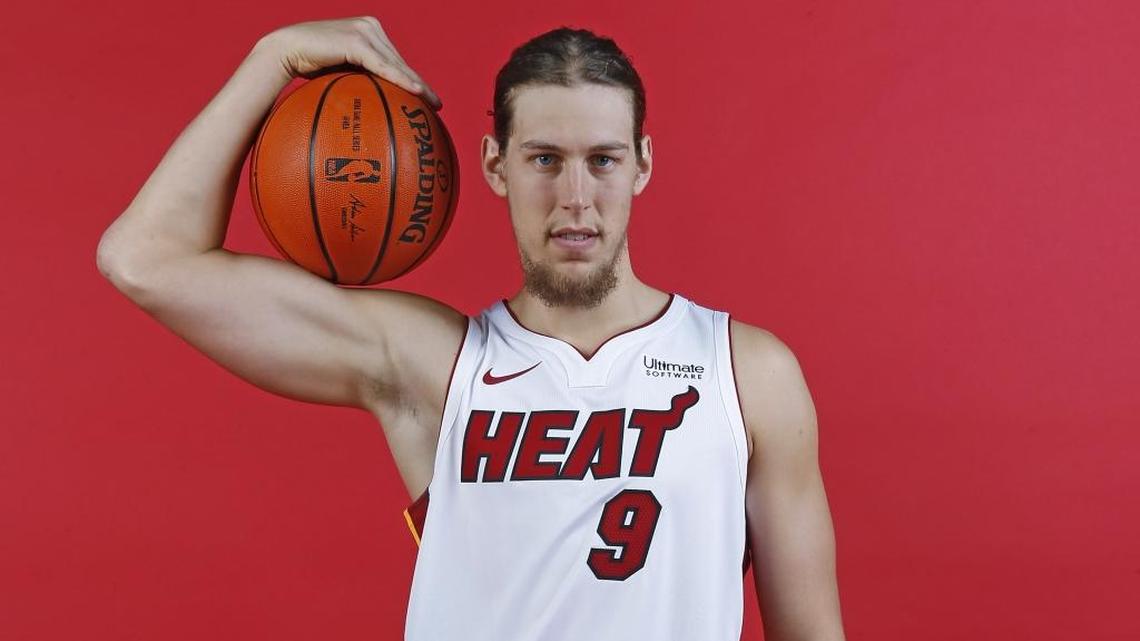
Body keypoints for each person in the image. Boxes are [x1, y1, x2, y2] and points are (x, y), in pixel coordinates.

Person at [96, 16, 845, 641]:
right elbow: (144, 258)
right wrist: (275, 57)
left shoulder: (746, 373)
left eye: (604, 160)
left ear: (643, 164)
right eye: (544, 159)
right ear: (495, 165)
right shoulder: (434, 364)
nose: (575, 198)